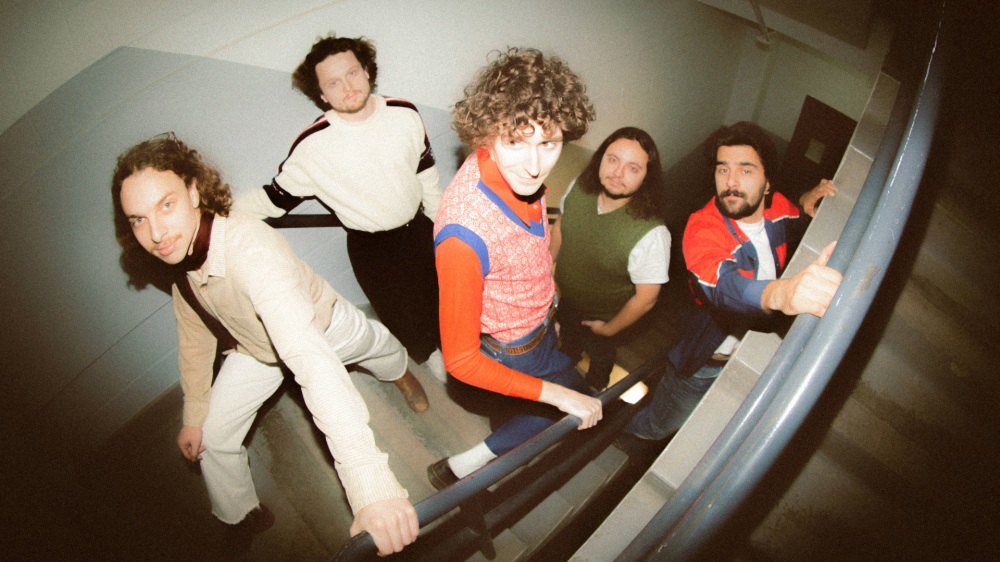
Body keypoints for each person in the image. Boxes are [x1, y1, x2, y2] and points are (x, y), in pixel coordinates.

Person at [111, 135, 419, 555]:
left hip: (321, 325)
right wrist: (194, 414)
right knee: (213, 437)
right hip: (256, 350)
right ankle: (243, 514)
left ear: (193, 191)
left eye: (165, 205)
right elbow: (194, 337)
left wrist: (371, 487)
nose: (156, 233)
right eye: (138, 219)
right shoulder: (181, 254)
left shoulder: (252, 251)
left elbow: (313, 364)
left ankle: (401, 372)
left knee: (376, 344)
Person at [426, 48, 602, 489]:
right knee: (574, 396)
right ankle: (460, 468)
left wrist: (548, 303)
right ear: (487, 132)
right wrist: (559, 396)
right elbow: (461, 361)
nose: (534, 165)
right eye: (516, 141)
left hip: (537, 324)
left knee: (554, 395)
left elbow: (528, 244)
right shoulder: (464, 231)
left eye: (549, 143)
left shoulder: (519, 176)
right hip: (515, 346)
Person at [233, 33, 445, 385]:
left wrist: (442, 227)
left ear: (366, 71)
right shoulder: (311, 147)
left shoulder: (404, 113)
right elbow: (272, 200)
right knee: (403, 316)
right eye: (333, 82)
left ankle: (456, 349)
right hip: (372, 248)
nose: (347, 87)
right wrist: (215, 211)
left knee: (442, 297)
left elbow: (427, 174)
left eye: (352, 73)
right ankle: (430, 357)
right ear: (321, 94)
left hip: (420, 229)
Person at [623, 121, 841, 446]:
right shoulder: (702, 228)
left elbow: (791, 222)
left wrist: (806, 205)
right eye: (723, 169)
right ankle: (627, 434)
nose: (731, 182)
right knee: (662, 424)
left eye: (746, 170)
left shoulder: (779, 206)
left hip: (754, 355)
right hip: (706, 362)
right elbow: (723, 284)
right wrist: (781, 294)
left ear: (767, 184)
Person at [550, 127, 670, 390]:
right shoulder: (579, 186)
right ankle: (565, 371)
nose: (618, 172)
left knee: (600, 354)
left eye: (633, 168)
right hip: (564, 299)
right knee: (568, 342)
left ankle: (596, 385)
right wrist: (546, 272)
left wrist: (609, 329)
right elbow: (560, 226)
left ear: (646, 178)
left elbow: (646, 299)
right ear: (600, 158)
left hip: (603, 318)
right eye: (613, 159)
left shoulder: (652, 234)